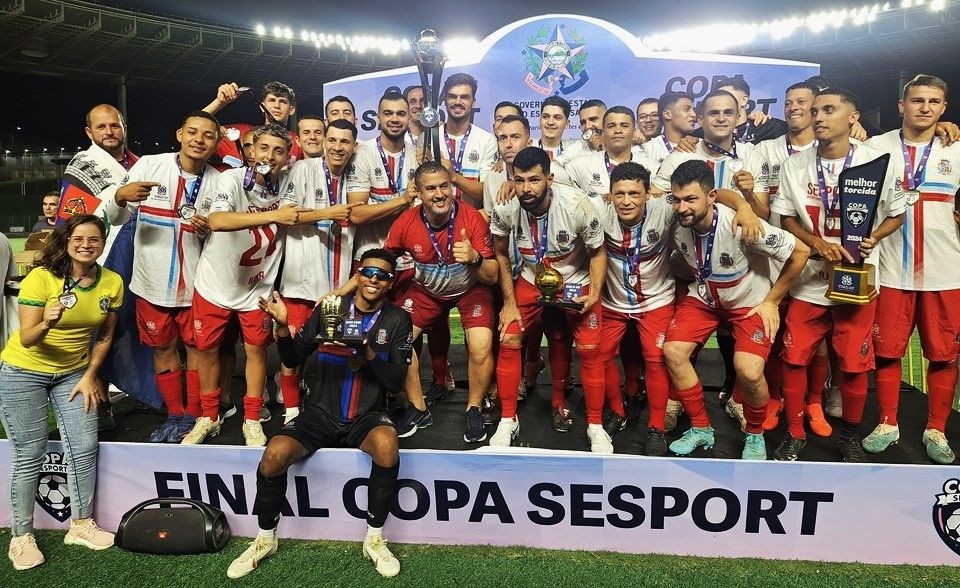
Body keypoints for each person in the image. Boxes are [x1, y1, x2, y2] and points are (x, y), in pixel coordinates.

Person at [228, 249, 411, 579]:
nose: (374, 280)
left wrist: (366, 350)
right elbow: (292, 357)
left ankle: (374, 539)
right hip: (321, 414)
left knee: (387, 444)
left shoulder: (397, 320)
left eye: (382, 276)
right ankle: (265, 539)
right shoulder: (330, 309)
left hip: (367, 415)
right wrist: (282, 328)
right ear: (357, 275)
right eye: (368, 272)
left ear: (390, 283)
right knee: (274, 454)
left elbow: (396, 382)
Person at [773, 87, 905, 462]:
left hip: (856, 279)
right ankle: (794, 434)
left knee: (853, 364)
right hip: (809, 280)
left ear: (853, 117)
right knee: (794, 359)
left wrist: (874, 236)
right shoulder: (795, 165)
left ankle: (849, 437)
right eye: (815, 110)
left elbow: (898, 213)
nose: (818, 117)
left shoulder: (876, 161)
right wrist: (816, 242)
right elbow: (787, 218)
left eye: (829, 110)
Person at [664, 160, 809, 460]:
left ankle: (755, 435)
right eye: (676, 200)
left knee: (749, 370)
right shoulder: (677, 221)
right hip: (706, 299)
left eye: (690, 199)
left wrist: (772, 301)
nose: (682, 208)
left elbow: (801, 252)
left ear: (711, 197)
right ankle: (701, 428)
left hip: (748, 304)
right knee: (673, 352)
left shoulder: (742, 225)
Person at [1, 214, 123, 570]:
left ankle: (81, 525)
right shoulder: (41, 278)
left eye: (94, 239)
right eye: (79, 239)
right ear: (66, 242)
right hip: (23, 372)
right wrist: (47, 321)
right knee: (30, 453)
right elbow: (27, 338)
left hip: (74, 373)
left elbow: (105, 335)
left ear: (103, 243)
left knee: (84, 448)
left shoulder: (112, 282)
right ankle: (21, 536)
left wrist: (91, 374)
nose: (87, 245)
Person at [101, 111, 222, 443]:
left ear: (216, 143)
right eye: (193, 132)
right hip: (150, 283)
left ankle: (194, 415)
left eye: (208, 135)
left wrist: (208, 229)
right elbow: (114, 217)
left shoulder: (218, 181)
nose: (199, 140)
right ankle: (175, 414)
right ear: (180, 134)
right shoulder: (150, 165)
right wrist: (119, 197)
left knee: (197, 350)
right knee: (162, 349)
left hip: (197, 285)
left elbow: (224, 233)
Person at [182, 124, 303, 447]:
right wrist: (273, 216)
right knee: (207, 351)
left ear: (287, 158)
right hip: (215, 283)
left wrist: (333, 212)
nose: (270, 156)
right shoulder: (232, 179)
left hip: (256, 288)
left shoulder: (289, 183)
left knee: (256, 351)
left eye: (279, 151)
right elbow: (218, 221)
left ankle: (251, 418)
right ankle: (208, 416)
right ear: (251, 151)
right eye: (264, 148)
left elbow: (297, 216)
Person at [863, 75, 960, 463]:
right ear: (901, 105)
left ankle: (936, 428)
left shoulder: (956, 148)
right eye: (917, 100)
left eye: (934, 102)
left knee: (944, 353)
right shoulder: (875, 147)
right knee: (887, 350)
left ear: (944, 108)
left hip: (945, 269)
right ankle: (887, 422)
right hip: (891, 269)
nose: (925, 107)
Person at [488, 147, 610, 452]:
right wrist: (509, 303)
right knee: (509, 337)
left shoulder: (578, 205)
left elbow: (597, 253)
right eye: (519, 180)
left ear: (549, 179)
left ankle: (595, 425)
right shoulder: (505, 208)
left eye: (534, 180)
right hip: (532, 278)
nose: (526, 189)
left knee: (589, 349)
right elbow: (501, 254)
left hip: (575, 279)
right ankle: (507, 420)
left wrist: (595, 294)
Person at [384, 161, 499, 443]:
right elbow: (384, 260)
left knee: (481, 345)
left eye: (444, 186)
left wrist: (475, 258)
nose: (439, 194)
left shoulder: (472, 219)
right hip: (427, 292)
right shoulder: (406, 222)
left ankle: (474, 408)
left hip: (471, 289)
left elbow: (493, 275)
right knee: (396, 340)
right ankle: (418, 408)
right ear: (419, 193)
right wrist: (354, 286)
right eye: (431, 188)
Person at [755, 81, 834, 435]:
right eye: (788, 102)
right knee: (775, 334)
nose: (793, 107)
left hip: (819, 260)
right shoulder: (766, 148)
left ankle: (814, 401)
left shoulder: (832, 147)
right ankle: (775, 397)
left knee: (816, 341)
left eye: (803, 102)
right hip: (775, 257)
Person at [280, 119, 361, 424]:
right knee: (293, 353)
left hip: (336, 286)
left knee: (332, 351)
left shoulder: (356, 177)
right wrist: (329, 213)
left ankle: (327, 409)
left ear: (353, 146)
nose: (338, 147)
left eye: (345, 142)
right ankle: (291, 411)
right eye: (333, 140)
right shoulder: (303, 169)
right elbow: (286, 214)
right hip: (301, 283)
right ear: (325, 142)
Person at [599, 162, 676, 455]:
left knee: (655, 359)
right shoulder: (598, 209)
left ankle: (656, 428)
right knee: (601, 355)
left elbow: (711, 196)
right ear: (610, 194)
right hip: (613, 302)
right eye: (619, 194)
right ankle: (617, 411)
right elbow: (558, 193)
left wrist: (743, 208)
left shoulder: (664, 208)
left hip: (656, 300)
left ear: (648, 194)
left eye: (634, 193)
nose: (626, 201)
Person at [202, 81, 303, 169]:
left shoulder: (299, 142)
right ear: (262, 107)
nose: (276, 106)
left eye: (283, 102)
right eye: (272, 100)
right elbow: (196, 128)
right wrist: (219, 102)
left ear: (291, 110)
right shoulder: (236, 134)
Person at [438, 73, 497, 208]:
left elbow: (486, 192)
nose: (458, 102)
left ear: (473, 102)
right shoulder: (431, 138)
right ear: (445, 100)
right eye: (452, 96)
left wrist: (453, 176)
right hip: (438, 218)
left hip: (472, 217)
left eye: (464, 97)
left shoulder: (486, 140)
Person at [642, 91, 697, 167]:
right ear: (667, 114)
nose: (694, 114)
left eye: (693, 110)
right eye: (687, 109)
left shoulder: (699, 145)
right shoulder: (647, 149)